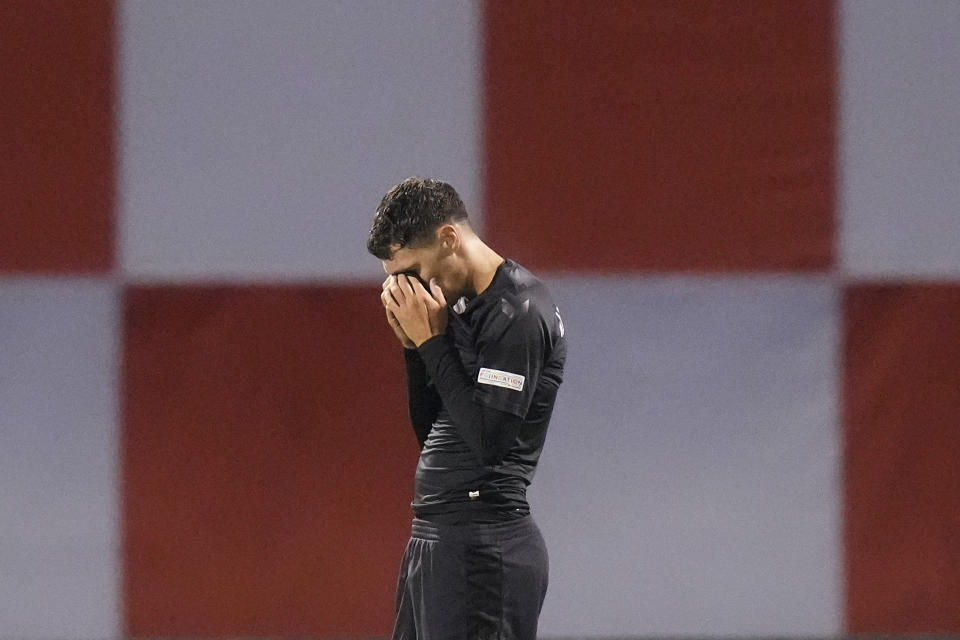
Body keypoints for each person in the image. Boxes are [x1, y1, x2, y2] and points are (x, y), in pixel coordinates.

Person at [367, 177, 567, 639]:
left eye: (412, 271)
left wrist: (432, 343)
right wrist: (415, 350)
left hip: (484, 549)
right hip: (437, 539)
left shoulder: (518, 311)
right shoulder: (455, 306)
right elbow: (435, 434)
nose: (409, 288)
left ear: (449, 238)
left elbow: (489, 442)